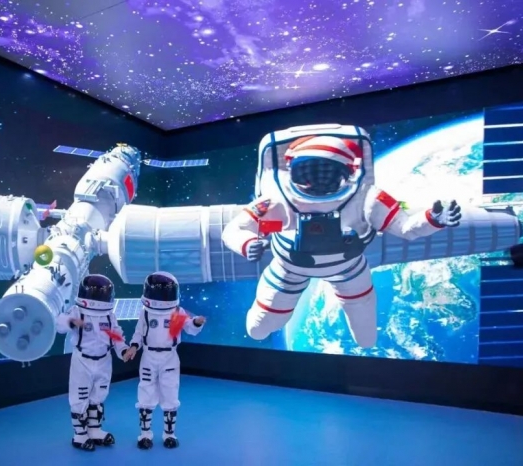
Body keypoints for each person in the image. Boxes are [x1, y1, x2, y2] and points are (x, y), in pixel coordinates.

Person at [222, 126, 462, 348]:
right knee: (259, 328)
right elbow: (234, 230)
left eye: (327, 175)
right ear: (290, 169)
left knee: (366, 337)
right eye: (306, 173)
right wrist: (246, 244)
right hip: (290, 269)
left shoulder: (367, 197)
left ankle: (363, 337)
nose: (315, 182)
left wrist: (433, 219)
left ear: (347, 173)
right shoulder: (275, 200)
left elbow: (405, 228)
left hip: (348, 269)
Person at [123, 271, 206, 450]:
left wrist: (197, 323)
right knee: (146, 393)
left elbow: (189, 327)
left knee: (170, 394)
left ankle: (169, 435)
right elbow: (139, 333)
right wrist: (133, 347)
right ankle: (145, 435)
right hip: (149, 356)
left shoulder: (177, 312)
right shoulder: (145, 313)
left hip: (169, 358)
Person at [56, 274, 129, 452]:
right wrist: (71, 322)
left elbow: (116, 336)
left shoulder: (109, 316)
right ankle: (80, 435)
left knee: (98, 395)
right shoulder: (77, 311)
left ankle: (94, 430)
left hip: (104, 360)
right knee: (80, 397)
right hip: (83, 361)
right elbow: (60, 323)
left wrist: (123, 350)